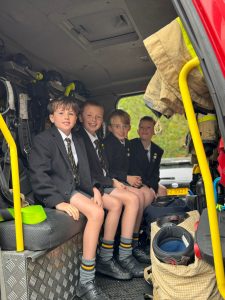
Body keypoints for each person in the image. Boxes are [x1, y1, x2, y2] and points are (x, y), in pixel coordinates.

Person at [29, 97, 110, 300]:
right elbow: (39, 175)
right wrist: (58, 202)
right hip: (60, 191)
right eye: (61, 113)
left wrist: (96, 189)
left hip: (77, 189)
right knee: (97, 212)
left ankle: (106, 258)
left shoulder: (78, 140)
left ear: (76, 118)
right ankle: (86, 281)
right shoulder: (44, 140)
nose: (66, 117)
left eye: (71, 113)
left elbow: (85, 173)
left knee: (111, 204)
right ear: (51, 117)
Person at [78, 101, 145, 277]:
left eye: (98, 117)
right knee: (131, 199)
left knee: (132, 198)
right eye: (89, 116)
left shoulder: (96, 139)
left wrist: (114, 180)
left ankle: (117, 254)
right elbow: (87, 171)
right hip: (93, 184)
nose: (94, 120)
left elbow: (103, 167)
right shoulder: (80, 139)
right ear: (81, 117)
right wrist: (112, 181)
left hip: (104, 181)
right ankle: (119, 256)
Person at [103, 109, 155, 260]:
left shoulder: (126, 143)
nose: (122, 130)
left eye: (125, 126)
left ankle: (135, 239)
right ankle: (128, 244)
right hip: (112, 180)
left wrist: (138, 180)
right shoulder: (108, 144)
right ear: (110, 128)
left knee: (146, 193)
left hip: (124, 179)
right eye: (117, 126)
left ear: (130, 128)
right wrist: (126, 178)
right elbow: (107, 170)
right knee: (137, 196)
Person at [129, 116, 167, 197]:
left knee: (163, 190)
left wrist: (153, 187)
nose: (144, 130)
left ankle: (156, 209)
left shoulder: (158, 150)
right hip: (135, 182)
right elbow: (132, 170)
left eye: (148, 127)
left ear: (154, 131)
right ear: (138, 130)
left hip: (149, 183)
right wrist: (146, 186)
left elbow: (155, 173)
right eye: (142, 127)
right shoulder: (130, 145)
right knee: (147, 192)